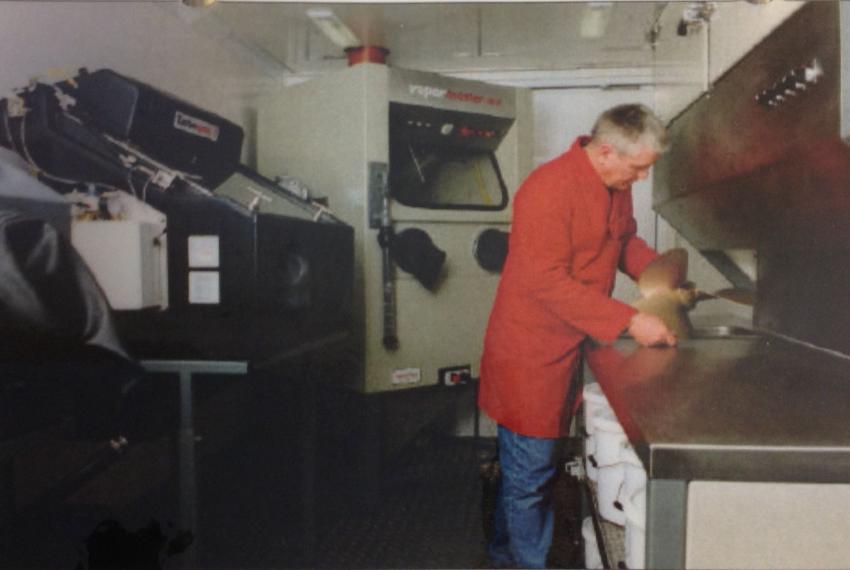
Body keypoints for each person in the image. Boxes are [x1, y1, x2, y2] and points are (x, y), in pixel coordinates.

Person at [478, 103, 677, 568]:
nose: (642, 178)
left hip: (569, 345)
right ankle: (522, 561)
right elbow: (546, 281)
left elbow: (623, 238)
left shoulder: (614, 184)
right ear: (606, 151)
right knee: (531, 475)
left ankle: (502, 553)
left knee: (530, 468)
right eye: (639, 168)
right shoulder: (548, 189)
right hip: (530, 353)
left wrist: (659, 274)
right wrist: (631, 320)